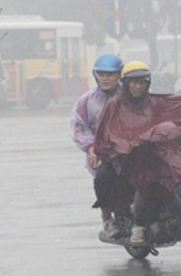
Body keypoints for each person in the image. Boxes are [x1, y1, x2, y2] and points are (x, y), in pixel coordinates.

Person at [94, 61, 181, 246]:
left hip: (150, 155)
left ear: (148, 84)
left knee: (156, 177)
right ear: (126, 84)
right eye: (133, 83)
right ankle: (131, 224)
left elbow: (175, 106)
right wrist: (122, 145)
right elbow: (105, 131)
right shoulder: (114, 105)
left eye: (142, 82)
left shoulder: (154, 101)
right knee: (105, 176)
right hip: (124, 157)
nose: (138, 87)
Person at [70, 54, 124, 241]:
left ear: (119, 76)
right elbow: (78, 127)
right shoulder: (87, 101)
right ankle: (107, 217)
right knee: (102, 178)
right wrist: (91, 147)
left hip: (130, 150)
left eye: (110, 74)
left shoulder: (129, 95)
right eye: (101, 74)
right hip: (103, 153)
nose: (105, 78)